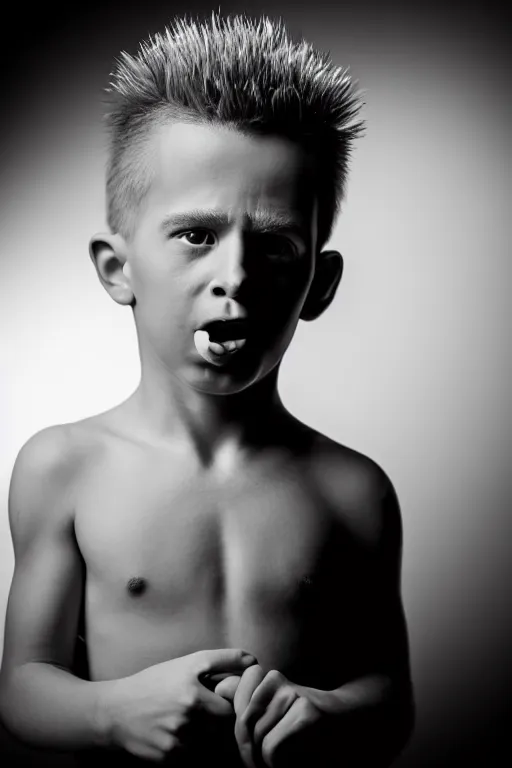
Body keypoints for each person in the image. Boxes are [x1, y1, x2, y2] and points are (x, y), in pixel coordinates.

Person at [0, 12, 414, 767]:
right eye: (196, 234)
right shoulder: (64, 468)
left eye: (276, 245)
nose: (236, 277)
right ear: (117, 268)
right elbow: (22, 686)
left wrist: (330, 712)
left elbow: (390, 696)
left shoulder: (355, 493)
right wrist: (109, 712)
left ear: (317, 284)